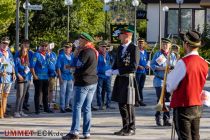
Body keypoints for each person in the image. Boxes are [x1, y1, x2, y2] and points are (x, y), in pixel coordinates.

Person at [166, 30, 208, 140]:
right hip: (197, 106)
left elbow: (170, 86)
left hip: (183, 106)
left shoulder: (183, 62)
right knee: (195, 137)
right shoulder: (204, 63)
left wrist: (170, 74)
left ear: (186, 44)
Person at [62, 32, 98, 140]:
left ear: (86, 41)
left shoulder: (85, 52)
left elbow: (77, 65)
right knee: (87, 108)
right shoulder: (94, 51)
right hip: (92, 82)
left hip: (83, 82)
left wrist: (75, 54)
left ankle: (74, 132)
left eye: (81, 40)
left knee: (77, 107)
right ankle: (86, 133)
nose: (78, 42)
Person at [106, 27, 140, 136]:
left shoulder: (134, 48)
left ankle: (131, 128)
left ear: (127, 36)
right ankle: (125, 127)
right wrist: (112, 69)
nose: (119, 36)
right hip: (120, 78)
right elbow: (117, 61)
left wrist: (118, 71)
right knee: (121, 104)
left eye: (121, 34)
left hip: (128, 78)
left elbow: (134, 67)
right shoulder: (120, 47)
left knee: (129, 104)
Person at [150, 38, 177, 126]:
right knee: (160, 99)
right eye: (163, 44)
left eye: (166, 44)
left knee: (168, 100)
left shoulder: (172, 55)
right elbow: (152, 65)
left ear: (169, 46)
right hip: (159, 80)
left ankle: (167, 118)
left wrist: (172, 69)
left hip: (169, 81)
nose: (164, 46)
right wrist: (162, 68)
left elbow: (175, 65)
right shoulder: (158, 54)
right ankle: (158, 117)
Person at [30, 42, 53, 114]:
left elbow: (49, 66)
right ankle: (37, 109)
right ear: (40, 46)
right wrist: (34, 75)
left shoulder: (47, 55)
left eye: (45, 46)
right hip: (38, 77)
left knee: (45, 93)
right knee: (38, 93)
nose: (44, 47)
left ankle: (46, 108)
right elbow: (31, 66)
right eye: (42, 46)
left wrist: (50, 75)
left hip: (46, 77)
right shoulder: (36, 54)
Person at [14, 40, 32, 118]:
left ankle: (21, 111)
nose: (25, 52)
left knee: (24, 95)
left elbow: (28, 69)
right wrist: (18, 75)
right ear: (21, 51)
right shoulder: (18, 59)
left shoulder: (27, 60)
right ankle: (16, 111)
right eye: (23, 51)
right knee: (19, 95)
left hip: (27, 78)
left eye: (26, 51)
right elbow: (15, 69)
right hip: (20, 78)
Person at [0, 37, 16, 118]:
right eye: (4, 43)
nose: (5, 45)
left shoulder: (9, 53)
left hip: (8, 77)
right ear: (1, 43)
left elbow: (12, 64)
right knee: (0, 96)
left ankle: (3, 112)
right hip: (1, 77)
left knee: (5, 95)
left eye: (7, 43)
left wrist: (14, 73)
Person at [96, 41, 114, 110]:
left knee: (109, 90)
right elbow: (95, 65)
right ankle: (100, 104)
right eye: (102, 47)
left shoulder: (108, 54)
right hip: (100, 75)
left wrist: (111, 69)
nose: (104, 48)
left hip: (108, 76)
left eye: (105, 47)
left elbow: (112, 62)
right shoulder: (97, 55)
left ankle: (108, 104)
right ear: (99, 47)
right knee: (99, 90)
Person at [56, 42, 74, 113]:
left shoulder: (72, 56)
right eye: (65, 47)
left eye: (68, 47)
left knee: (69, 92)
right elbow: (58, 68)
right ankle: (62, 107)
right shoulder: (61, 56)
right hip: (63, 76)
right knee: (63, 92)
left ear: (71, 49)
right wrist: (60, 78)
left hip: (70, 76)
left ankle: (67, 106)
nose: (67, 49)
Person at [135, 37, 149, 107]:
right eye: (139, 42)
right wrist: (138, 66)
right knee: (136, 87)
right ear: (137, 43)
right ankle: (136, 101)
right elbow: (134, 61)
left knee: (141, 87)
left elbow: (147, 60)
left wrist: (147, 65)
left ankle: (141, 100)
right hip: (137, 72)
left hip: (143, 72)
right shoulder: (136, 51)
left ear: (144, 44)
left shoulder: (145, 52)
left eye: (142, 43)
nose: (140, 44)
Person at [47, 43, 57, 110]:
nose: (50, 48)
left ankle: (50, 103)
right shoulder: (45, 54)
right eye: (48, 47)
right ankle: (43, 103)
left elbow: (55, 63)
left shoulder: (54, 54)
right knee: (45, 90)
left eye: (50, 47)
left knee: (51, 89)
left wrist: (56, 71)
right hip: (45, 75)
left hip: (52, 75)